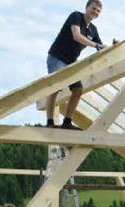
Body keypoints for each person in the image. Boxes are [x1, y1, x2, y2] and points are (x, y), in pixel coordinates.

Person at [45, 1, 105, 130]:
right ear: (87, 7)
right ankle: (50, 122)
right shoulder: (76, 16)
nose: (95, 12)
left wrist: (112, 46)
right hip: (57, 57)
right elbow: (77, 36)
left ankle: (67, 122)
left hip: (71, 61)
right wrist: (96, 45)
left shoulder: (93, 30)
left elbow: (101, 47)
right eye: (93, 8)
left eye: (98, 11)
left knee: (77, 90)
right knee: (55, 88)